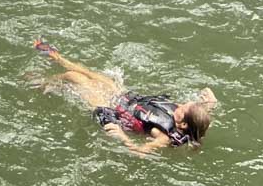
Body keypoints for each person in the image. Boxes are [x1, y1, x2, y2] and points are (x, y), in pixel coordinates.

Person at [33, 39, 216, 154]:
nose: (180, 105)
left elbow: (140, 152)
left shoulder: (163, 136)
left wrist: (123, 137)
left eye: (183, 108)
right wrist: (209, 105)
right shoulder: (185, 119)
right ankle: (57, 58)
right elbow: (198, 121)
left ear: (183, 124)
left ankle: (41, 83)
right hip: (124, 99)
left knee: (75, 79)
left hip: (111, 110)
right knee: (93, 75)